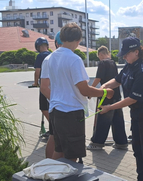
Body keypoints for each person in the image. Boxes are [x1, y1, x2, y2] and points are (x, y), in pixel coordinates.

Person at [40, 22, 114, 162]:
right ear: (79, 40)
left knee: (59, 149)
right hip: (71, 112)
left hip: (55, 110)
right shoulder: (74, 59)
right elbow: (84, 89)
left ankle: (50, 173)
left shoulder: (51, 57)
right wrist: (105, 92)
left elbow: (46, 86)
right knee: (71, 155)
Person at [100, 37, 143, 181]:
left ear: (136, 52)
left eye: (126, 54)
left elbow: (132, 98)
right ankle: (141, 178)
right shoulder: (129, 65)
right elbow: (117, 80)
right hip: (136, 113)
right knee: (138, 150)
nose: (124, 57)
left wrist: (110, 107)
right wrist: (104, 86)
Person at [86, 46, 128, 150]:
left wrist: (91, 90)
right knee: (117, 119)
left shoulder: (102, 63)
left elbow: (98, 78)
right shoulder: (113, 63)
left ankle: (97, 142)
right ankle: (121, 142)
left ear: (100, 54)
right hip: (116, 93)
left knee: (103, 118)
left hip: (105, 94)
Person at [40, 32, 62, 159]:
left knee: (54, 135)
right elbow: (44, 87)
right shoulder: (50, 59)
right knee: (57, 138)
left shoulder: (53, 59)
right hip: (59, 105)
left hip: (57, 104)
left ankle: (49, 164)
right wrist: (56, 102)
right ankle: (50, 165)